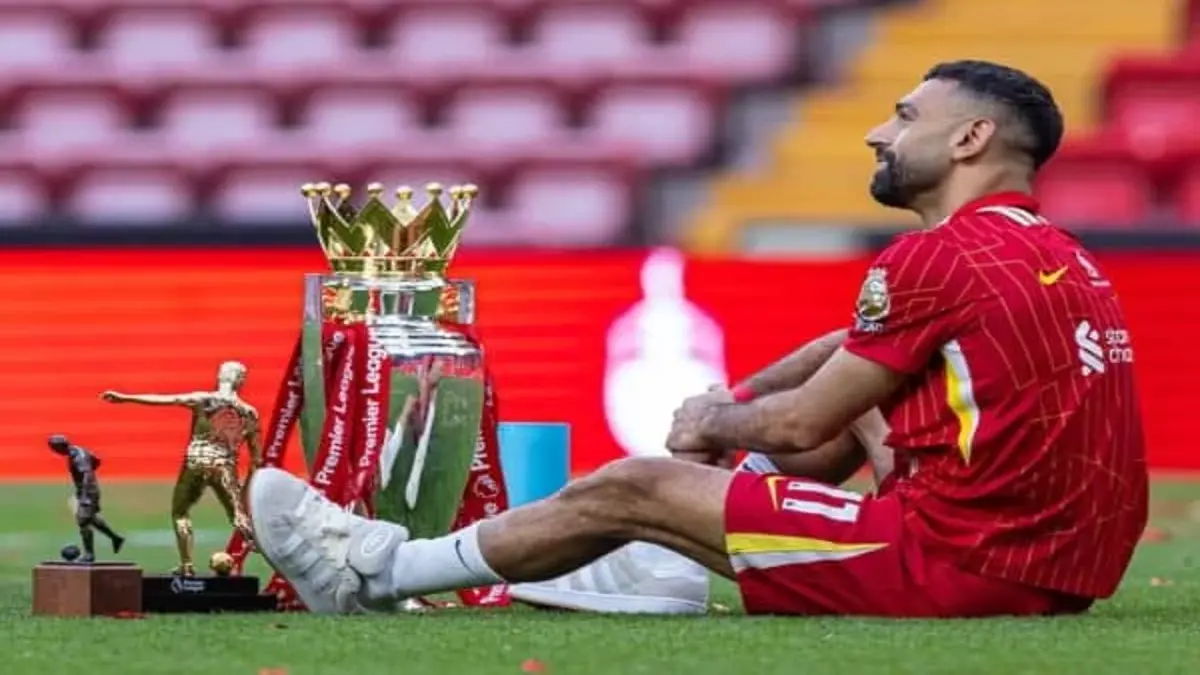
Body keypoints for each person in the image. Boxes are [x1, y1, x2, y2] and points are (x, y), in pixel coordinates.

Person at [247, 59, 1149, 617]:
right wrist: (741, 405)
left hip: (959, 568)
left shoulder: (933, 256)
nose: (880, 131)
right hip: (1050, 563)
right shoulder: (1054, 252)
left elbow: (796, 428)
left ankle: (374, 568)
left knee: (639, 480)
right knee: (848, 418)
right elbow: (843, 357)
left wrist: (716, 417)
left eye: (908, 116)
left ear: (972, 138)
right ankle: (650, 562)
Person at [102, 361, 262, 576]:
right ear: (241, 381)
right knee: (238, 516)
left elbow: (167, 400)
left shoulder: (204, 399)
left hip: (196, 460)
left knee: (180, 512)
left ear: (220, 377)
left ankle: (186, 566)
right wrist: (247, 485)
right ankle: (268, 551)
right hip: (224, 465)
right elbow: (256, 456)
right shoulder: (250, 413)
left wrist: (126, 398)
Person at [49, 435, 125, 562]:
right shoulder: (78, 451)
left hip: (88, 492)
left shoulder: (77, 457)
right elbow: (96, 461)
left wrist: (85, 495)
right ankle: (116, 538)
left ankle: (89, 554)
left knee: (83, 521)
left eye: (55, 448)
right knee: (91, 519)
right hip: (86, 491)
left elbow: (87, 475)